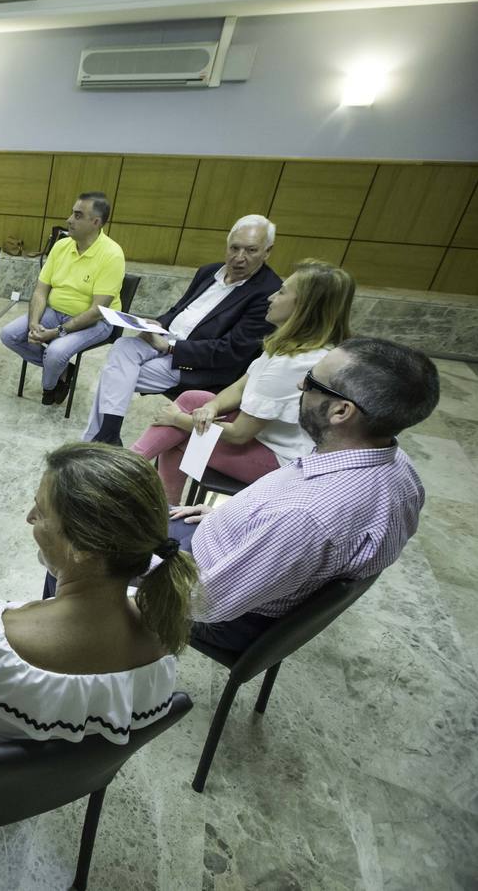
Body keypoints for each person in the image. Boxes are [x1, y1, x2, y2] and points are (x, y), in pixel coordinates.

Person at [0, 443, 193, 780]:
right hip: (62, 779)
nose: (30, 518)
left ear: (81, 549)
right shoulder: (164, 624)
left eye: (41, 512)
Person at [169, 337, 439, 653]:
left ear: (341, 410)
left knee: (101, 540)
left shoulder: (305, 517)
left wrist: (134, 578)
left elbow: (203, 604)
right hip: (235, 558)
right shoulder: (398, 465)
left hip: (218, 606)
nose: (300, 384)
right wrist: (229, 519)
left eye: (311, 381)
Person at [131, 260, 354, 503]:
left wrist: (178, 419)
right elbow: (242, 384)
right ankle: (156, 500)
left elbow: (239, 435)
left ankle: (122, 474)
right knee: (196, 399)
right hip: (266, 437)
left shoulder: (294, 363)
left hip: (283, 461)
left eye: (281, 292)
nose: (270, 297)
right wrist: (211, 408)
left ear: (304, 307)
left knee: (179, 434)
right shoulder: (290, 344)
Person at [84, 215, 281, 443]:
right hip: (166, 339)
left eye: (251, 250)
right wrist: (158, 323)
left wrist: (170, 348)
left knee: (114, 374)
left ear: (267, 252)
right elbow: (178, 309)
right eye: (234, 248)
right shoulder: (209, 272)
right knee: (122, 347)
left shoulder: (269, 292)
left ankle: (100, 439)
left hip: (197, 363)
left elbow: (231, 351)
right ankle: (107, 437)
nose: (239, 258)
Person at [0, 192, 124, 405]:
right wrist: (34, 324)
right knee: (9, 335)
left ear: (95, 222)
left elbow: (97, 311)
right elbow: (40, 291)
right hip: (55, 312)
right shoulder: (61, 245)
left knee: (55, 353)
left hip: (96, 322)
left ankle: (50, 387)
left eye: (77, 215)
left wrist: (57, 333)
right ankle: (64, 371)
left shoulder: (112, 254)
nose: (68, 220)